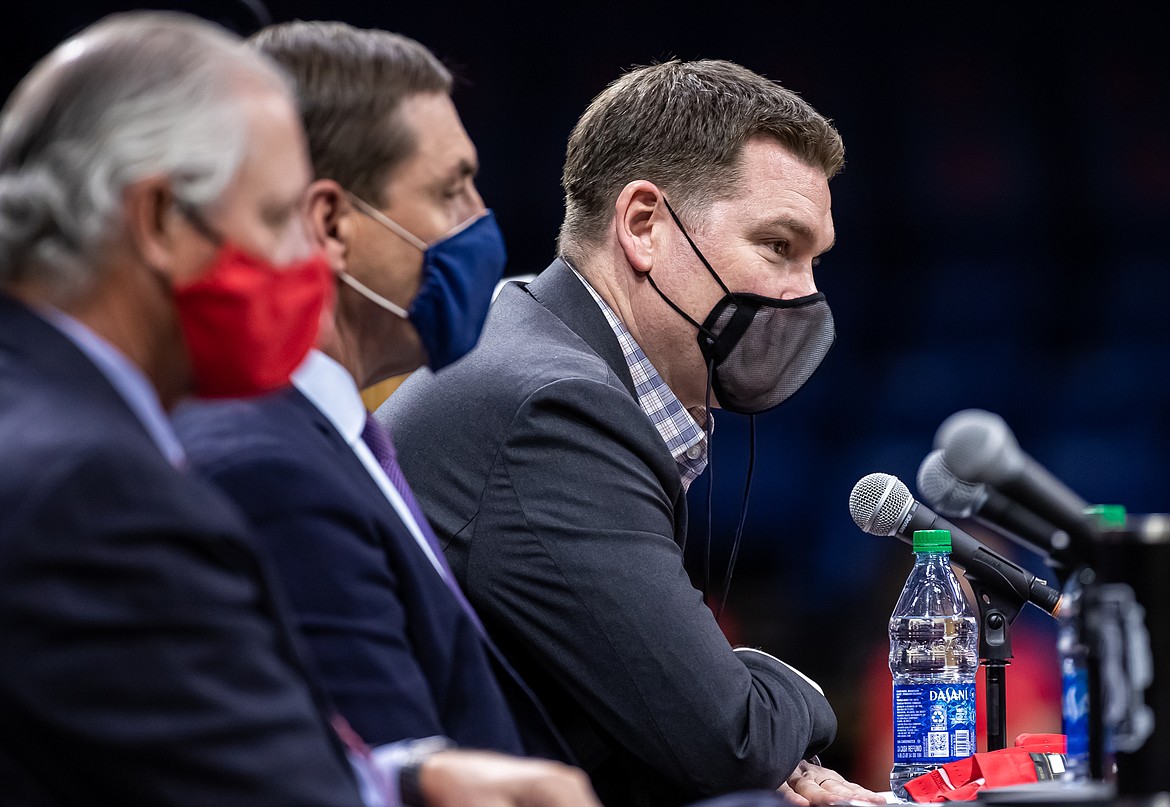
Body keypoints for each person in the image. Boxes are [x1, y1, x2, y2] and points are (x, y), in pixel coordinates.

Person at [0, 12, 598, 807]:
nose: (305, 259)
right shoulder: (95, 488)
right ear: (158, 219)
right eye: (279, 219)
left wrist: (405, 779)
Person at [378, 60, 885, 807]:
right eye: (779, 245)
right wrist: (800, 691)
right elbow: (727, 741)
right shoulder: (556, 406)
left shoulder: (530, 334)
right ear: (644, 225)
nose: (805, 293)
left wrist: (730, 700)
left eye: (816, 261)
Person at [174, 20, 569, 765]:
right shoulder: (273, 471)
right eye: (452, 190)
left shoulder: (330, 442)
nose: (482, 221)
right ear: (331, 223)